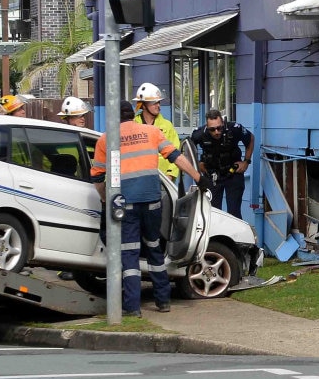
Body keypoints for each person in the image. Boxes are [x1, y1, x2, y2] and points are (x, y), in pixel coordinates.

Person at [90, 101, 201, 317]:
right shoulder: (151, 131)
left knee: (129, 253)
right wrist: (199, 178)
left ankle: (132, 307)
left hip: (126, 203)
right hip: (152, 201)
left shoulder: (106, 139)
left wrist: (105, 200)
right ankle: (163, 301)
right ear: (134, 115)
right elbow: (176, 157)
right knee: (153, 247)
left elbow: (97, 177)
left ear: (113, 118)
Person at [188, 109, 254, 218]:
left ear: (223, 122)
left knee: (234, 213)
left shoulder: (234, 129)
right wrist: (197, 165)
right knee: (212, 213)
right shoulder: (199, 134)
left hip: (233, 173)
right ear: (207, 127)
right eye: (212, 129)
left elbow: (251, 139)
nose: (216, 132)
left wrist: (246, 162)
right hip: (212, 176)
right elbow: (187, 150)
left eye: (219, 128)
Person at [132, 82, 180, 181]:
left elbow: (176, 151)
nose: (158, 106)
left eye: (158, 102)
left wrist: (170, 176)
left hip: (164, 182)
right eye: (154, 103)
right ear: (143, 105)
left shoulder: (167, 126)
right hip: (139, 180)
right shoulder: (133, 125)